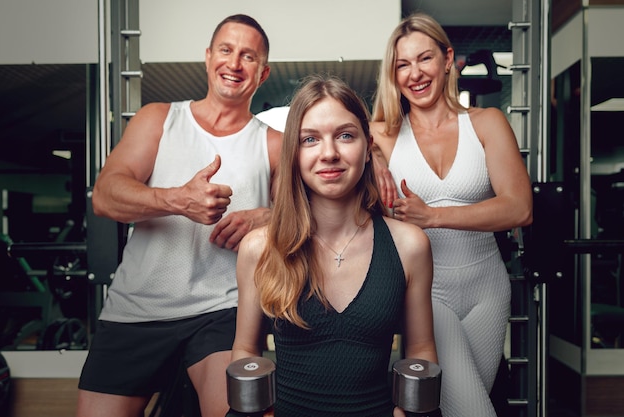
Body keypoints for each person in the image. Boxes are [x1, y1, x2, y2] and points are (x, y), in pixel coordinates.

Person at [76, 14, 282, 417]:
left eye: (248, 56)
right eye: (225, 50)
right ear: (208, 58)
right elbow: (105, 196)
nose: (234, 64)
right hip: (136, 309)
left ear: (263, 72)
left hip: (222, 312)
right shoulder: (159, 118)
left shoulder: (273, 144)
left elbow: (308, 212)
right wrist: (177, 199)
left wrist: (266, 218)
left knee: (242, 412)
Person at [230, 74, 437, 417]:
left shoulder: (409, 245)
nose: (329, 153)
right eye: (310, 139)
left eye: (345, 136)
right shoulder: (258, 248)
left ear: (368, 147)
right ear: (294, 154)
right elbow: (245, 350)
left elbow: (422, 350)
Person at [369, 12, 533, 417]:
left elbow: (519, 207)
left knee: (460, 404)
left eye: (424, 59)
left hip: (488, 291)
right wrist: (372, 159)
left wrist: (434, 216)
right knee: (472, 409)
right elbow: (321, 141)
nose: (415, 73)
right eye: (402, 64)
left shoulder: (487, 123)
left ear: (448, 60)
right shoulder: (383, 134)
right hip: (426, 294)